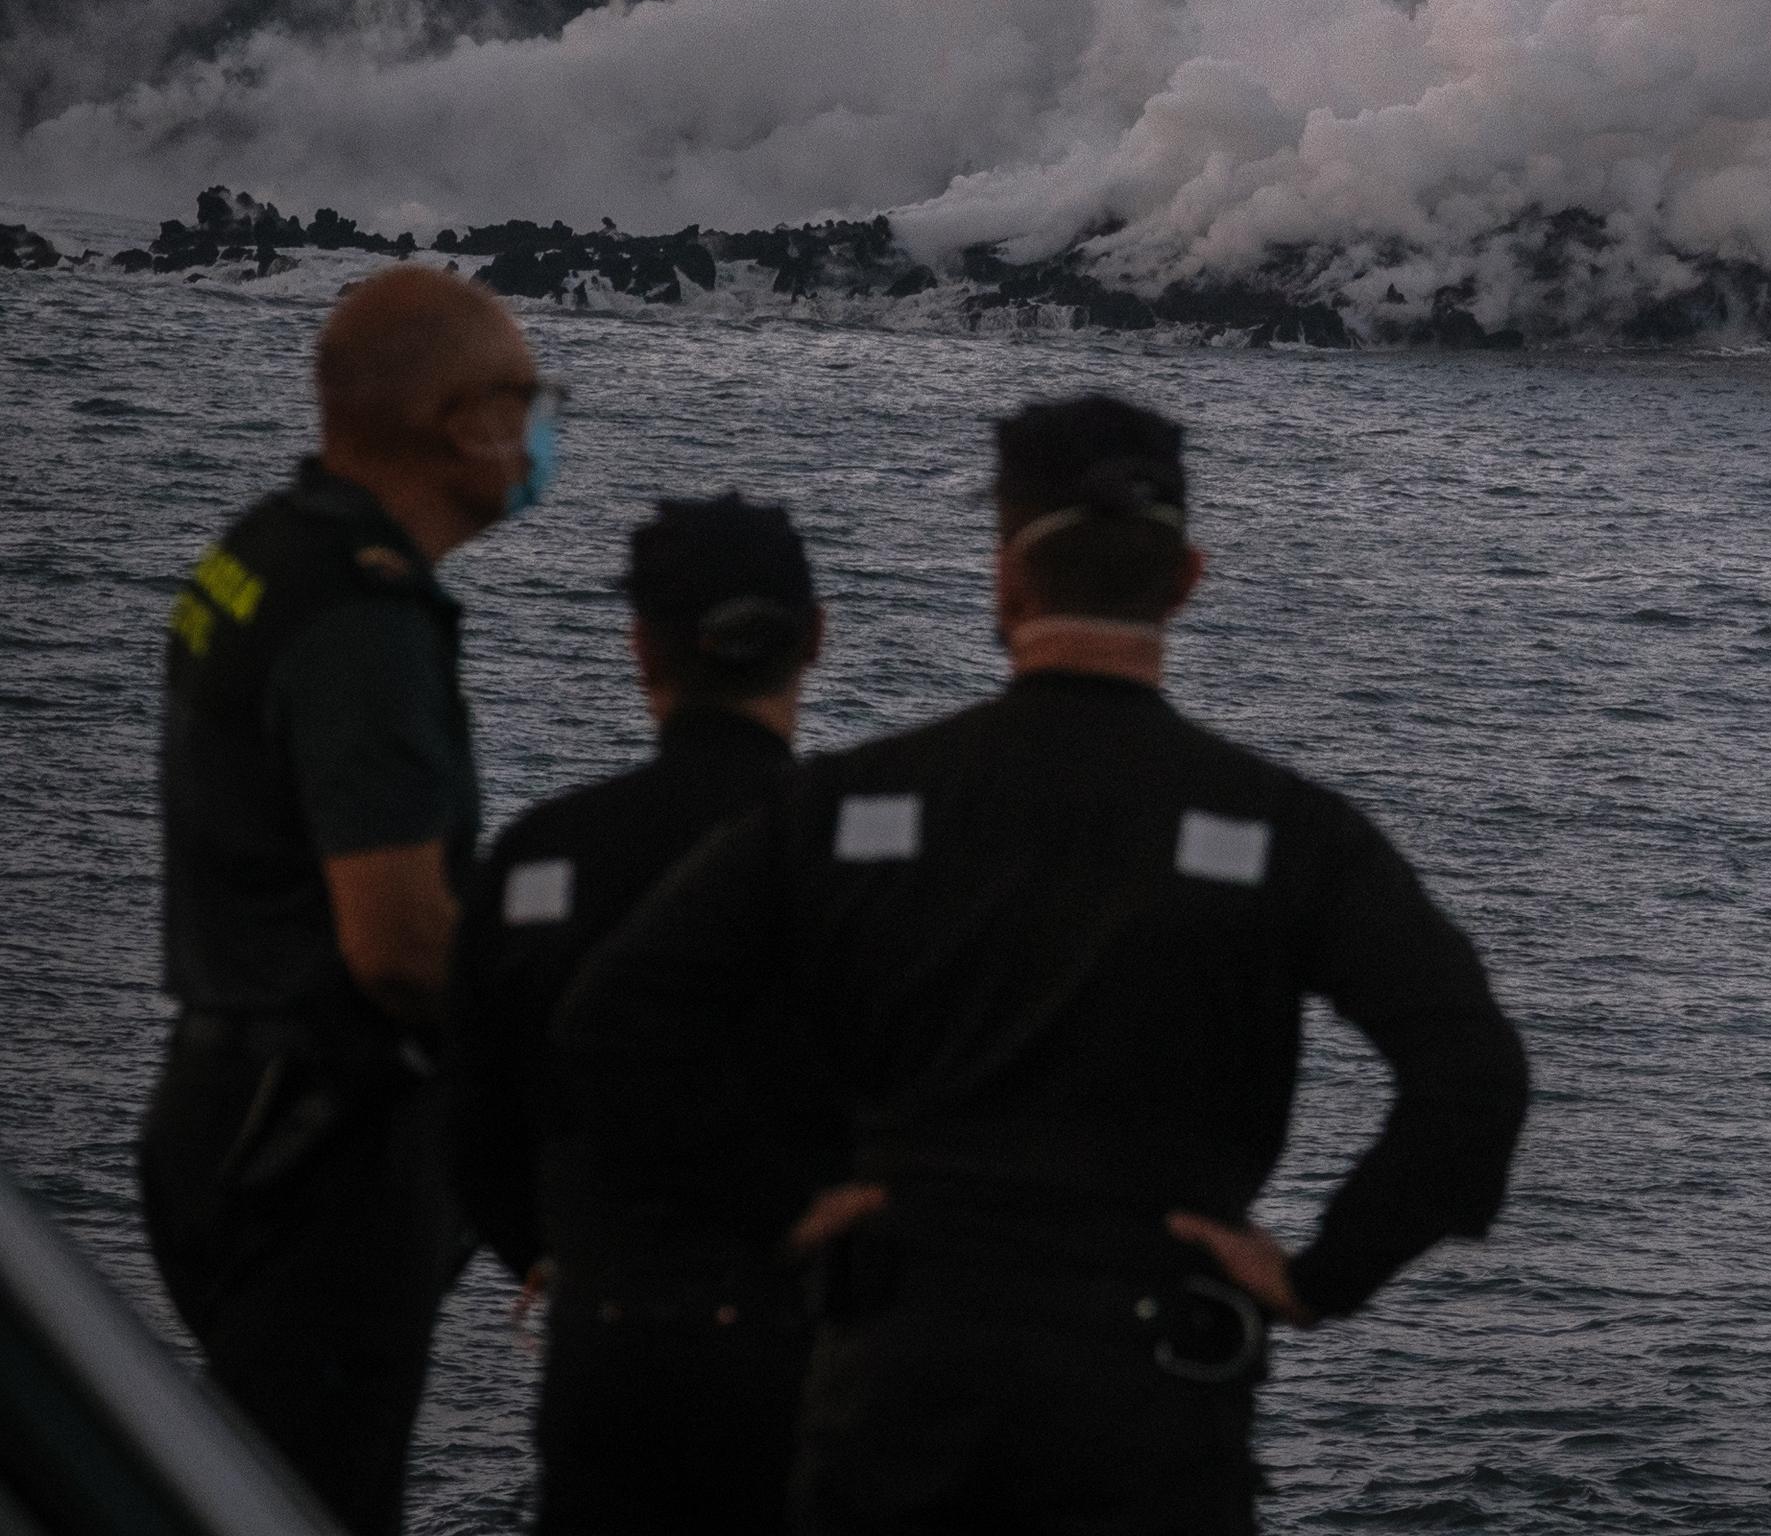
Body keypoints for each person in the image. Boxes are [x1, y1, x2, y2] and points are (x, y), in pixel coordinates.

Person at [557, 395, 1531, 1536]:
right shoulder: (1290, 830)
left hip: (899, 1372)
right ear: (1185, 579)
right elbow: (1470, 1071)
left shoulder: (851, 804)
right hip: (1152, 1388)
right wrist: (1326, 1271)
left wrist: (779, 1204)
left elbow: (611, 1025)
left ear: (1006, 583)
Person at [139, 264, 559, 1536]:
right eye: (530, 403)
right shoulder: (361, 617)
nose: (542, 433)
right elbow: (393, 939)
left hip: (228, 1110)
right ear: (461, 422)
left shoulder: (264, 550)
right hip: (320, 1153)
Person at [448, 496, 836, 1535]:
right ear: (816, 637)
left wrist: (550, 1249)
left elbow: (470, 1120)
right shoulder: (870, 869)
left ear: (639, 647)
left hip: (605, 1341)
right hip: (812, 1354)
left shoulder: (542, 852)